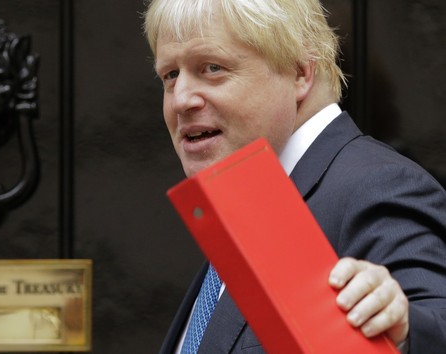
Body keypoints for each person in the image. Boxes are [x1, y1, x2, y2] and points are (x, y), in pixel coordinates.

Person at [143, 0, 446, 353]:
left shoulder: (377, 186)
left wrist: (404, 328)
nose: (181, 100)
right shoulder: (253, 199)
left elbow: (433, 319)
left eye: (212, 68)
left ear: (300, 73)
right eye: (170, 76)